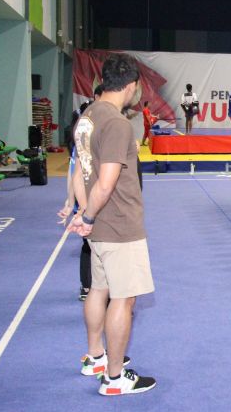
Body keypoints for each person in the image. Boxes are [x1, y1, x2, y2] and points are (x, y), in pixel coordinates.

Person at [68, 53, 156, 395]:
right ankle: (115, 377)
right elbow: (106, 181)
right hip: (118, 224)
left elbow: (80, 171)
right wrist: (87, 216)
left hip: (99, 225)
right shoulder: (117, 123)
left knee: (99, 290)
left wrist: (83, 212)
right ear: (132, 86)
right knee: (124, 299)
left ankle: (95, 356)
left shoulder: (87, 117)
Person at [62, 84, 103, 301]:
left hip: (97, 200)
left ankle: (97, 287)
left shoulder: (103, 130)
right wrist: (74, 204)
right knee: (89, 244)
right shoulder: (84, 134)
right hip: (89, 199)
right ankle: (87, 286)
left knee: (99, 246)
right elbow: (74, 172)